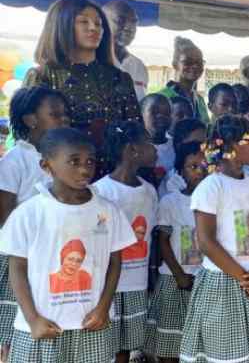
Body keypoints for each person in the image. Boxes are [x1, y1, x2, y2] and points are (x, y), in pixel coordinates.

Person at [0, 128, 135, 363]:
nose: (84, 169)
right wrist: (32, 319)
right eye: (74, 161)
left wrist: (104, 307)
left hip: (92, 323)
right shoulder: (29, 213)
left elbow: (115, 262)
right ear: (47, 166)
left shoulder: (107, 210)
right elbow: (17, 268)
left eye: (90, 161)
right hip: (43, 325)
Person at [179, 115, 249, 363]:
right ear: (232, 146)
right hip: (224, 282)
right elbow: (206, 242)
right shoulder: (211, 187)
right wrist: (246, 279)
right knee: (227, 355)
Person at [0, 87, 70, 358]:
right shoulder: (16, 161)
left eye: (66, 115)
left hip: (51, 257)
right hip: (19, 259)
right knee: (12, 331)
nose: (64, 120)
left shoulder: (61, 159)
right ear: (31, 120)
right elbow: (4, 217)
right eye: (55, 114)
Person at [25, 0, 141, 159]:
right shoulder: (41, 76)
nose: (94, 28)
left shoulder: (120, 78)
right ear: (61, 25)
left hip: (110, 178)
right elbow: (29, 139)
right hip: (55, 175)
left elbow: (135, 133)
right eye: (83, 22)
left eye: (99, 23)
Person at [93, 121, 159, 363]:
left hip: (136, 283)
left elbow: (151, 237)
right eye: (149, 143)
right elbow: (97, 239)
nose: (155, 149)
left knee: (126, 347)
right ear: (132, 150)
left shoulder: (149, 191)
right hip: (108, 285)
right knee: (107, 346)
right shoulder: (101, 192)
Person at [145, 142, 207, 363]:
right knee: (170, 347)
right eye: (192, 166)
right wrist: (179, 274)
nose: (200, 171)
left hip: (204, 279)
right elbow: (163, 242)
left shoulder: (214, 200)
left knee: (200, 346)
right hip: (175, 279)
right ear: (180, 171)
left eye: (204, 165)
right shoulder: (171, 201)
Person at [157, 36, 210, 124]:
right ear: (175, 65)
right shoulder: (162, 97)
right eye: (188, 62)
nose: (195, 66)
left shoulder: (200, 100)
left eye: (199, 62)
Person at [102, 1, 148, 100]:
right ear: (102, 22)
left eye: (134, 22)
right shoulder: (88, 61)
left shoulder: (139, 67)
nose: (129, 28)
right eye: (120, 20)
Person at [141, 94, 174, 175]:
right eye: (154, 112)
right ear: (141, 114)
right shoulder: (135, 150)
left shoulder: (176, 146)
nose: (161, 116)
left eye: (166, 113)